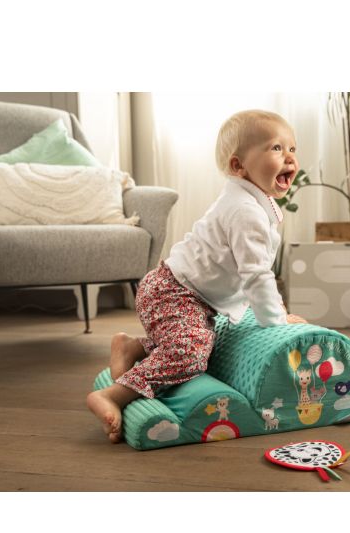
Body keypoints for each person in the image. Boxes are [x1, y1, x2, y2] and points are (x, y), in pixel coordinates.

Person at [86, 109, 307, 443]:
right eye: (276, 148)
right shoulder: (246, 211)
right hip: (173, 293)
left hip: (182, 292)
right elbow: (256, 275)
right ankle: (114, 395)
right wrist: (277, 323)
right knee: (190, 352)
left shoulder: (247, 199)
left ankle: (134, 348)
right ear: (239, 166)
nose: (289, 157)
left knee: (201, 339)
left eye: (292, 148)